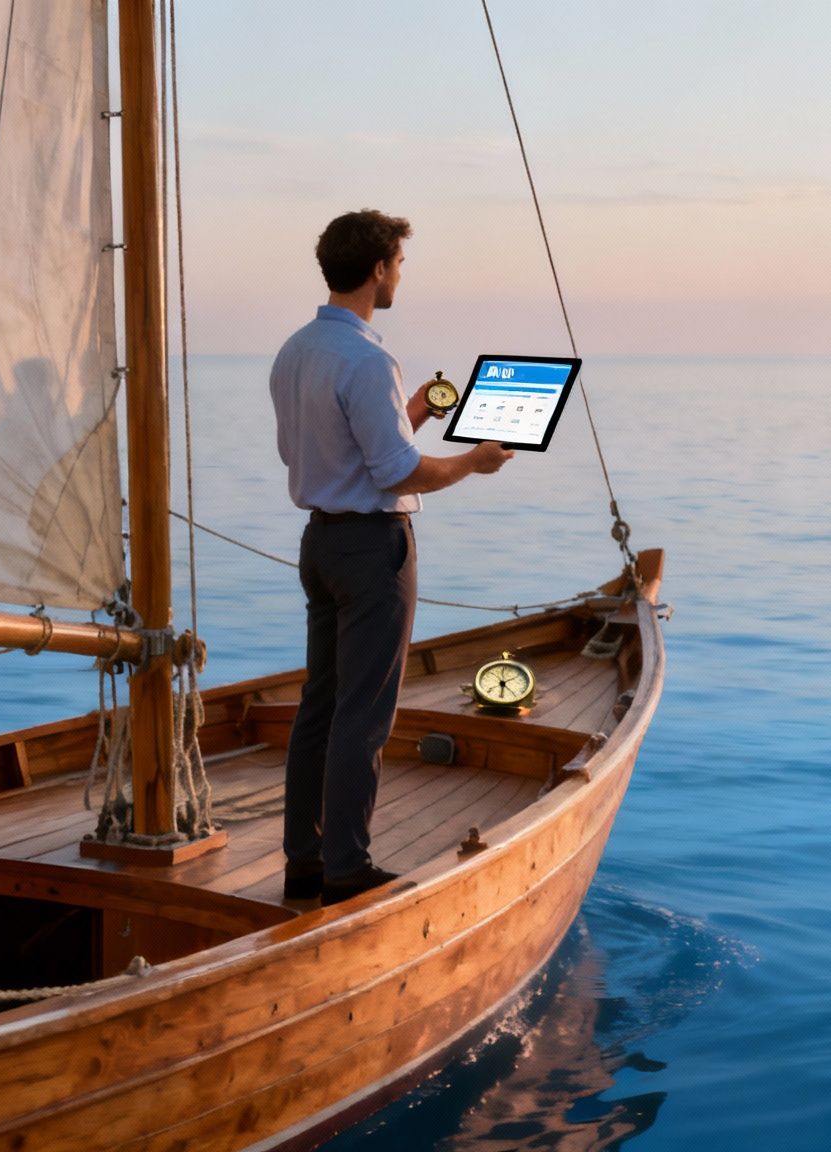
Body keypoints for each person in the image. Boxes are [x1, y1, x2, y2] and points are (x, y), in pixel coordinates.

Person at [268, 209, 513, 905]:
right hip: (373, 549)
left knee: (320, 705)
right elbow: (397, 473)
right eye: (399, 263)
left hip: (319, 544)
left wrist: (416, 412)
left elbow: (332, 448)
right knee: (363, 714)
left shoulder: (296, 351)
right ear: (378, 268)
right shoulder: (369, 358)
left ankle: (305, 863)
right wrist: (472, 461)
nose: (400, 274)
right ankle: (348, 868)